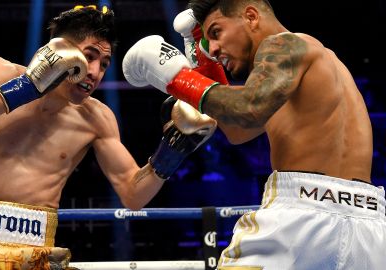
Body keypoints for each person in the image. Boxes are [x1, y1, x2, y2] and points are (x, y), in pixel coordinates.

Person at [0, 5, 217, 270]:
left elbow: (133, 195)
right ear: (61, 49)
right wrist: (31, 85)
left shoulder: (96, 118)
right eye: (90, 56)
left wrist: (173, 150)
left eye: (104, 64)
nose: (96, 72)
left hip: (35, 251)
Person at [122, 0, 386, 269]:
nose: (213, 49)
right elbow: (238, 130)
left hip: (300, 217)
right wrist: (202, 61)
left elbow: (248, 108)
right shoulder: (315, 71)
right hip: (370, 228)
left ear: (250, 16)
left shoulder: (286, 44)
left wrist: (177, 78)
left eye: (216, 32)